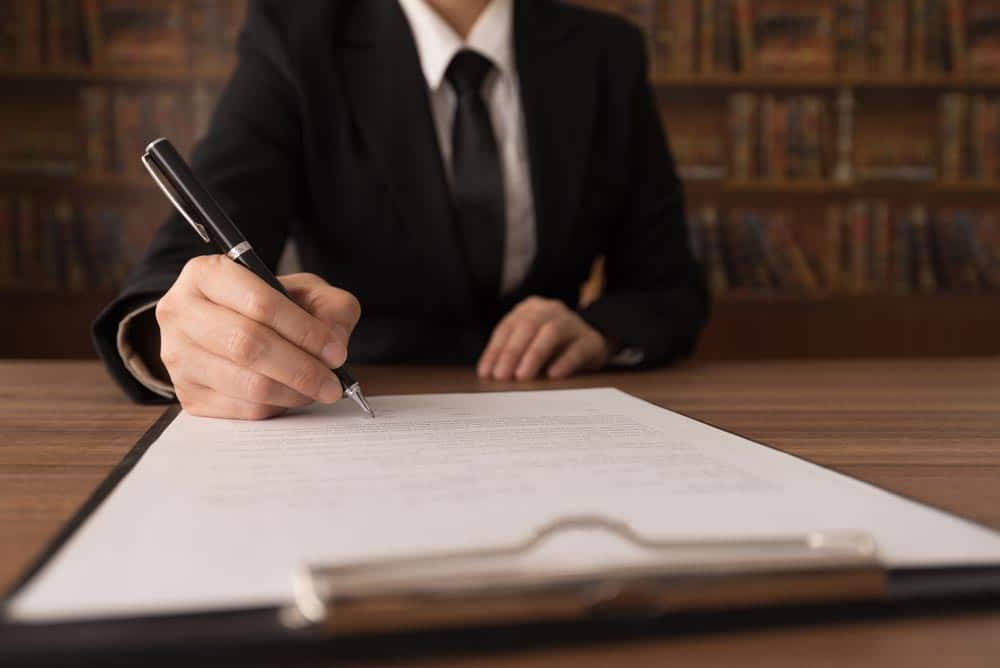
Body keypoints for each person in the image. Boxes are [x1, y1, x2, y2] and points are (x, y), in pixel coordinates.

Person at [93, 0, 709, 420]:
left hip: (558, 407)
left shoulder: (606, 52)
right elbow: (189, 256)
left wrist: (600, 331)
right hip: (356, 398)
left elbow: (669, 288)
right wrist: (173, 335)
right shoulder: (297, 36)